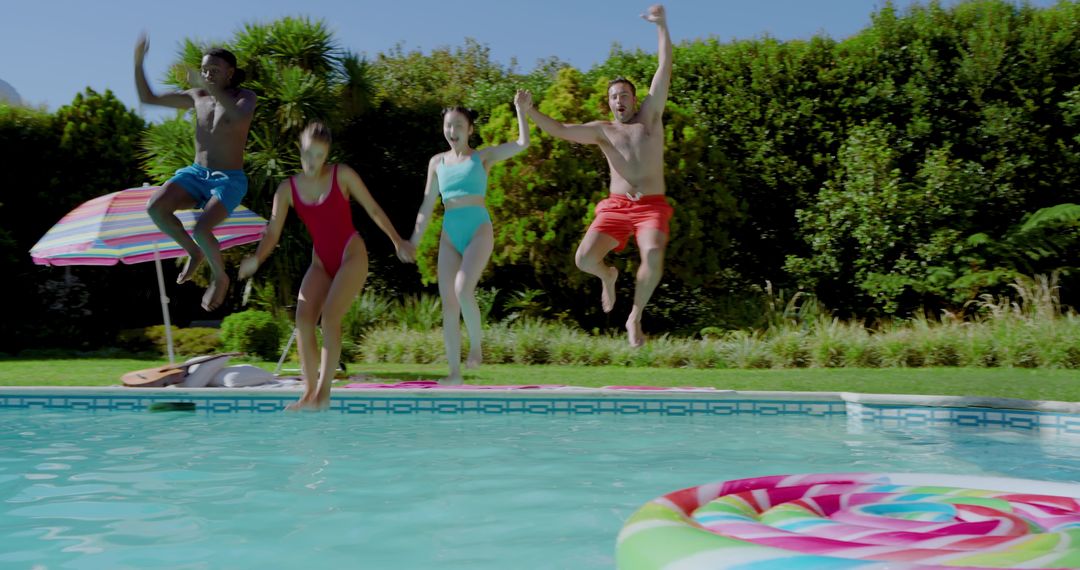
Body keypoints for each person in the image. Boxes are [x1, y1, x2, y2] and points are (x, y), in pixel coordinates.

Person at [239, 122, 415, 411]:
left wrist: (397, 241)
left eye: (319, 156)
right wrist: (257, 258)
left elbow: (371, 208)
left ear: (327, 155)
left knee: (329, 319)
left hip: (351, 255)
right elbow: (272, 231)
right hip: (321, 261)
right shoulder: (287, 190)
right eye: (308, 154)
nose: (312, 162)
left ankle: (323, 394)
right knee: (303, 321)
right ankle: (308, 394)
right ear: (300, 149)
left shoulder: (341, 175)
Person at [524, 5, 672, 347]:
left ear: (635, 99)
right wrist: (531, 110)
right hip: (617, 207)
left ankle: (634, 317)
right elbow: (560, 130)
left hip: (650, 206)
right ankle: (608, 275)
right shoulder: (603, 131)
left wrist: (661, 26)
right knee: (583, 259)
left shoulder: (650, 116)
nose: (618, 100)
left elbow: (664, 66)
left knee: (652, 255)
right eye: (613, 97)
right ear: (608, 104)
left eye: (623, 95)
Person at [409, 90, 532, 384]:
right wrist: (413, 240)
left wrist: (520, 110)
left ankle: (476, 347)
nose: (452, 132)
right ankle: (454, 374)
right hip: (450, 234)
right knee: (449, 303)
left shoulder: (482, 157)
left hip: (478, 229)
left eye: (459, 126)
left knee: (464, 289)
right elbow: (427, 204)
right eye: (448, 126)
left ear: (470, 130)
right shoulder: (436, 163)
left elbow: (522, 143)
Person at [135, 33, 257, 311]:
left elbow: (237, 117)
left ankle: (220, 277)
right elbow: (148, 97)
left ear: (231, 73)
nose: (207, 75)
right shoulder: (198, 96)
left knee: (203, 229)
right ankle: (193, 251)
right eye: (204, 70)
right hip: (196, 173)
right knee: (156, 207)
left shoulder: (244, 98)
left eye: (214, 70)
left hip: (228, 180)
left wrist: (208, 87)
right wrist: (138, 62)